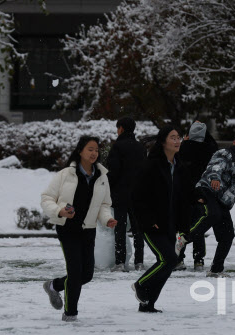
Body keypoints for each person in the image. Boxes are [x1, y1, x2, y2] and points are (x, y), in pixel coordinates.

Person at [41, 136, 117, 322]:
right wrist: (59, 210)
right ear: (80, 151)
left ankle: (54, 285)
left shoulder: (101, 176)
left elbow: (104, 204)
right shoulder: (66, 174)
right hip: (67, 229)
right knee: (75, 273)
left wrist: (107, 219)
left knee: (86, 275)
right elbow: (46, 198)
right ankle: (70, 314)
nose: (94, 153)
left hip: (88, 229)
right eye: (90, 149)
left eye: (96, 150)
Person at [175, 129, 235, 277]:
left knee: (228, 235)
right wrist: (214, 178)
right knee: (212, 214)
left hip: (223, 201)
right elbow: (215, 167)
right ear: (234, 141)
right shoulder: (225, 153)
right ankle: (184, 237)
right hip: (208, 191)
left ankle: (216, 269)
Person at [130, 125, 185, 313]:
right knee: (168, 259)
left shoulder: (179, 165)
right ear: (163, 142)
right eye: (173, 137)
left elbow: (181, 195)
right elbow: (137, 196)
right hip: (151, 224)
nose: (177, 141)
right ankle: (140, 285)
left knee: (169, 264)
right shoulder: (151, 164)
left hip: (170, 224)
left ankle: (147, 304)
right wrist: (147, 219)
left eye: (178, 137)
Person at [174, 121, 219, 272]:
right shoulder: (209, 148)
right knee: (198, 226)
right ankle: (198, 259)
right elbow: (213, 145)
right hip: (202, 191)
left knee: (183, 224)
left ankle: (179, 259)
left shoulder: (183, 147)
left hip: (184, 192)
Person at [106, 117, 147, 272]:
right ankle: (139, 262)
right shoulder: (140, 147)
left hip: (121, 193)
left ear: (121, 128)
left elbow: (114, 171)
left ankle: (120, 262)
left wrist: (107, 187)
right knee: (138, 230)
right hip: (138, 194)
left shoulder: (117, 147)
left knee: (120, 229)